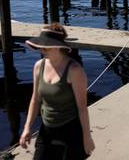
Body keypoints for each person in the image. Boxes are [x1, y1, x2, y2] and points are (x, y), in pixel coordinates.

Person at [19, 23, 95, 159]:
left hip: (70, 130)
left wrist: (87, 137)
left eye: (46, 46)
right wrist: (27, 127)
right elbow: (35, 99)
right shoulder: (38, 66)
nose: (42, 49)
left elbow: (82, 108)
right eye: (41, 46)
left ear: (58, 46)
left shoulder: (75, 70)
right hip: (46, 129)